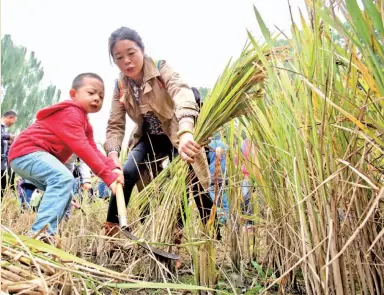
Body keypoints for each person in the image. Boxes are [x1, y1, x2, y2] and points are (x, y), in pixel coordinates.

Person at [103, 27, 213, 236]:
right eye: (119, 57)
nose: (127, 61)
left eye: (131, 53)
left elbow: (182, 92)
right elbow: (115, 124)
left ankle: (201, 233)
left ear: (142, 50)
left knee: (189, 181)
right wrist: (113, 155)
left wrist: (187, 131)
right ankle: (113, 230)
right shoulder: (120, 85)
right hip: (149, 137)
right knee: (126, 172)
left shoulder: (161, 68)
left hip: (176, 133)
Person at [8, 73, 124, 240]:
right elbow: (83, 149)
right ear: (73, 94)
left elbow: (94, 150)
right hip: (28, 152)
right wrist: (108, 177)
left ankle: (49, 233)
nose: (97, 98)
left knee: (65, 192)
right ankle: (42, 234)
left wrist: (113, 167)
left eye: (101, 96)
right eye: (91, 93)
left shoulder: (86, 125)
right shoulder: (71, 113)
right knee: (63, 178)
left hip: (29, 157)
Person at [1, 110, 17, 195]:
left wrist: (8, 144)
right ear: (10, 117)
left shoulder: (4, 129)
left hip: (3, 162)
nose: (13, 124)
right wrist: (8, 136)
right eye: (14, 121)